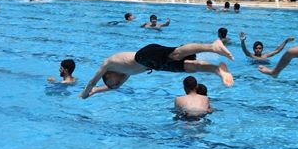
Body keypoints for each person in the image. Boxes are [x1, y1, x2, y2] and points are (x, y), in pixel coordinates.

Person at [80, 38, 234, 99]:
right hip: (154, 65)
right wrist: (94, 92)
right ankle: (217, 70)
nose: (116, 85)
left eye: (112, 83)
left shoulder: (109, 64)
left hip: (144, 55)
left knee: (176, 54)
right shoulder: (125, 74)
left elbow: (93, 82)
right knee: (188, 67)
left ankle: (212, 46)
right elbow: (108, 87)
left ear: (108, 76)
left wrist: (84, 93)